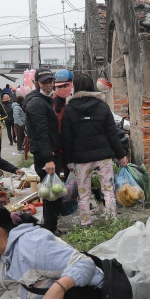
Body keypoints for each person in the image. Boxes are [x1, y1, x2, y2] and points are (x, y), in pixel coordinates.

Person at [61, 74, 127, 226]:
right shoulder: (102, 106)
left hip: (80, 159)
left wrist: (68, 161)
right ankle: (111, 221)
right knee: (108, 190)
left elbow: (66, 138)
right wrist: (121, 155)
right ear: (92, 86)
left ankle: (85, 224)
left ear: (75, 87)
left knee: (84, 193)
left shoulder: (70, 109)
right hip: (103, 157)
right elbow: (113, 134)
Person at [24, 69, 64, 233]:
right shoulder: (37, 103)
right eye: (44, 82)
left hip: (49, 152)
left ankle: (51, 226)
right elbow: (41, 133)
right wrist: (48, 158)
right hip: (45, 155)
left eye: (50, 82)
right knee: (50, 194)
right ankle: (49, 228)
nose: (48, 85)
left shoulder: (44, 100)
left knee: (52, 192)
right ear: (36, 83)